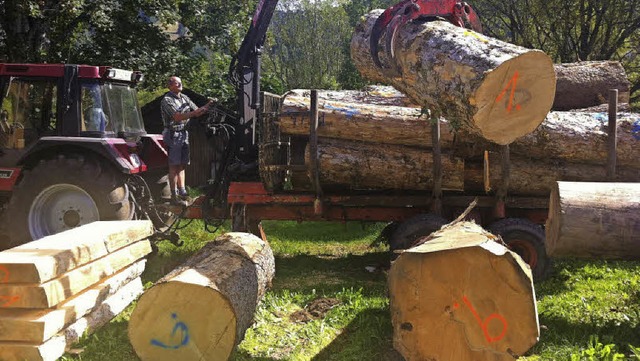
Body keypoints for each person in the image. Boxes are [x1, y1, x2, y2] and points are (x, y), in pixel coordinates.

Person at [160, 76, 212, 205]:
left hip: (184, 133)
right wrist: (194, 114)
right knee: (174, 165)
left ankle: (182, 191)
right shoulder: (167, 100)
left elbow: (197, 111)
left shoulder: (185, 98)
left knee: (182, 164)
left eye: (180, 82)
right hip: (173, 134)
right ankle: (174, 194)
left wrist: (208, 105)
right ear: (170, 86)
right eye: (176, 83)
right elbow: (177, 117)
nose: (179, 84)